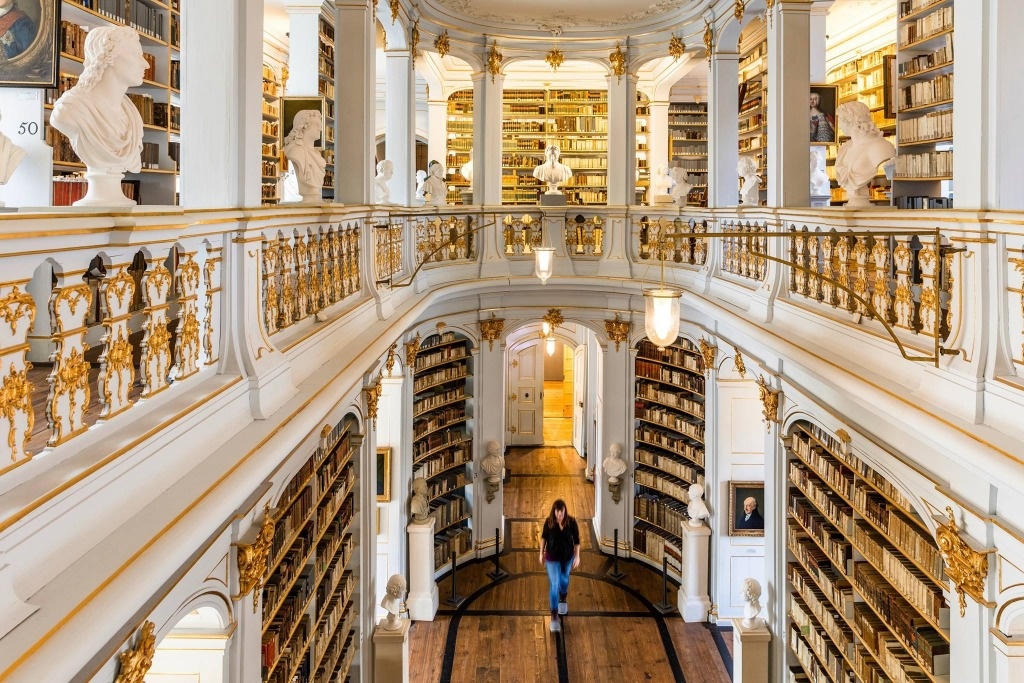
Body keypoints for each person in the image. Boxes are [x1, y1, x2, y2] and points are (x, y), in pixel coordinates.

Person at [50, 26, 148, 205]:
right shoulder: (71, 110)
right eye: (135, 54)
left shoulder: (132, 114)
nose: (145, 64)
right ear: (108, 56)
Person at [834, 100, 896, 207]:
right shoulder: (844, 148)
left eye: (840, 120)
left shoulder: (880, 147)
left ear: (852, 120)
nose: (839, 126)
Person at [539, 498, 580, 633]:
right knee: (554, 584)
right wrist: (541, 553)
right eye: (557, 512)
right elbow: (544, 538)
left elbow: (577, 541)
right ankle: (554, 617)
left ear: (564, 511)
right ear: (554, 511)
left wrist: (577, 556)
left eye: (561, 512)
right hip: (552, 558)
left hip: (567, 558)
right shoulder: (549, 522)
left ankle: (563, 598)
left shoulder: (572, 522)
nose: (559, 515)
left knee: (564, 580)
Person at [282, 109, 326, 203]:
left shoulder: (316, 154)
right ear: (304, 126)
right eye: (316, 125)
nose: (320, 129)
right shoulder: (295, 150)